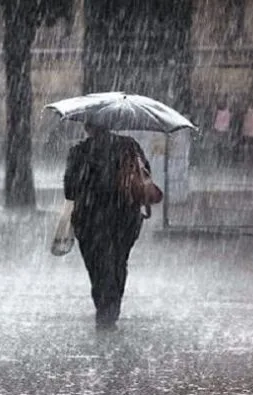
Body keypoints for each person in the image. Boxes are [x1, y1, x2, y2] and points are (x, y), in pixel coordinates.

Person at [63, 122, 152, 330]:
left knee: (97, 266)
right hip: (125, 216)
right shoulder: (130, 146)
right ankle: (112, 308)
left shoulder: (79, 152)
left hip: (90, 219)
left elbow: (69, 191)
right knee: (119, 261)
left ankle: (104, 308)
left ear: (88, 127)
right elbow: (145, 174)